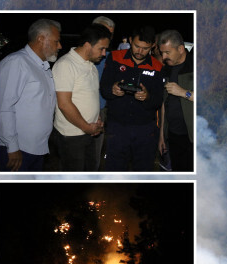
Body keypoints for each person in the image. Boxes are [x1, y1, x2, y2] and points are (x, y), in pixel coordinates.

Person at [0, 18, 62, 172]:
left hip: (37, 149)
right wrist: (12, 147)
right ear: (41, 38)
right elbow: (3, 107)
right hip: (17, 150)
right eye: (56, 41)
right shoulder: (17, 62)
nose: (60, 46)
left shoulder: (43, 67)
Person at [100, 26, 164, 171]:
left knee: (143, 171)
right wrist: (113, 89)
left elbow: (159, 100)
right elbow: (103, 88)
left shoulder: (158, 67)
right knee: (114, 169)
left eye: (145, 48)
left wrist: (147, 97)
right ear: (130, 40)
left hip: (145, 130)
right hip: (117, 127)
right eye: (136, 46)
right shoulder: (115, 57)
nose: (140, 51)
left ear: (153, 46)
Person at [52, 24, 111, 171]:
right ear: (87, 45)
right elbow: (64, 104)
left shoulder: (91, 65)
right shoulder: (66, 65)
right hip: (72, 136)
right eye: (101, 49)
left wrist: (96, 119)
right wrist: (86, 127)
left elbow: (90, 96)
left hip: (90, 132)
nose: (104, 53)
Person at [158, 30, 194, 172]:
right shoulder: (167, 69)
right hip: (174, 135)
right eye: (162, 53)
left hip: (193, 137)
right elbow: (164, 103)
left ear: (180, 49)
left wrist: (183, 92)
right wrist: (162, 134)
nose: (163, 57)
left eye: (167, 52)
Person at [92, 16, 115, 170]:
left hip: (103, 109)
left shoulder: (109, 56)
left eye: (111, 34)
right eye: (105, 32)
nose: (109, 37)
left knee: (96, 153)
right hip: (84, 110)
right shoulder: (81, 58)